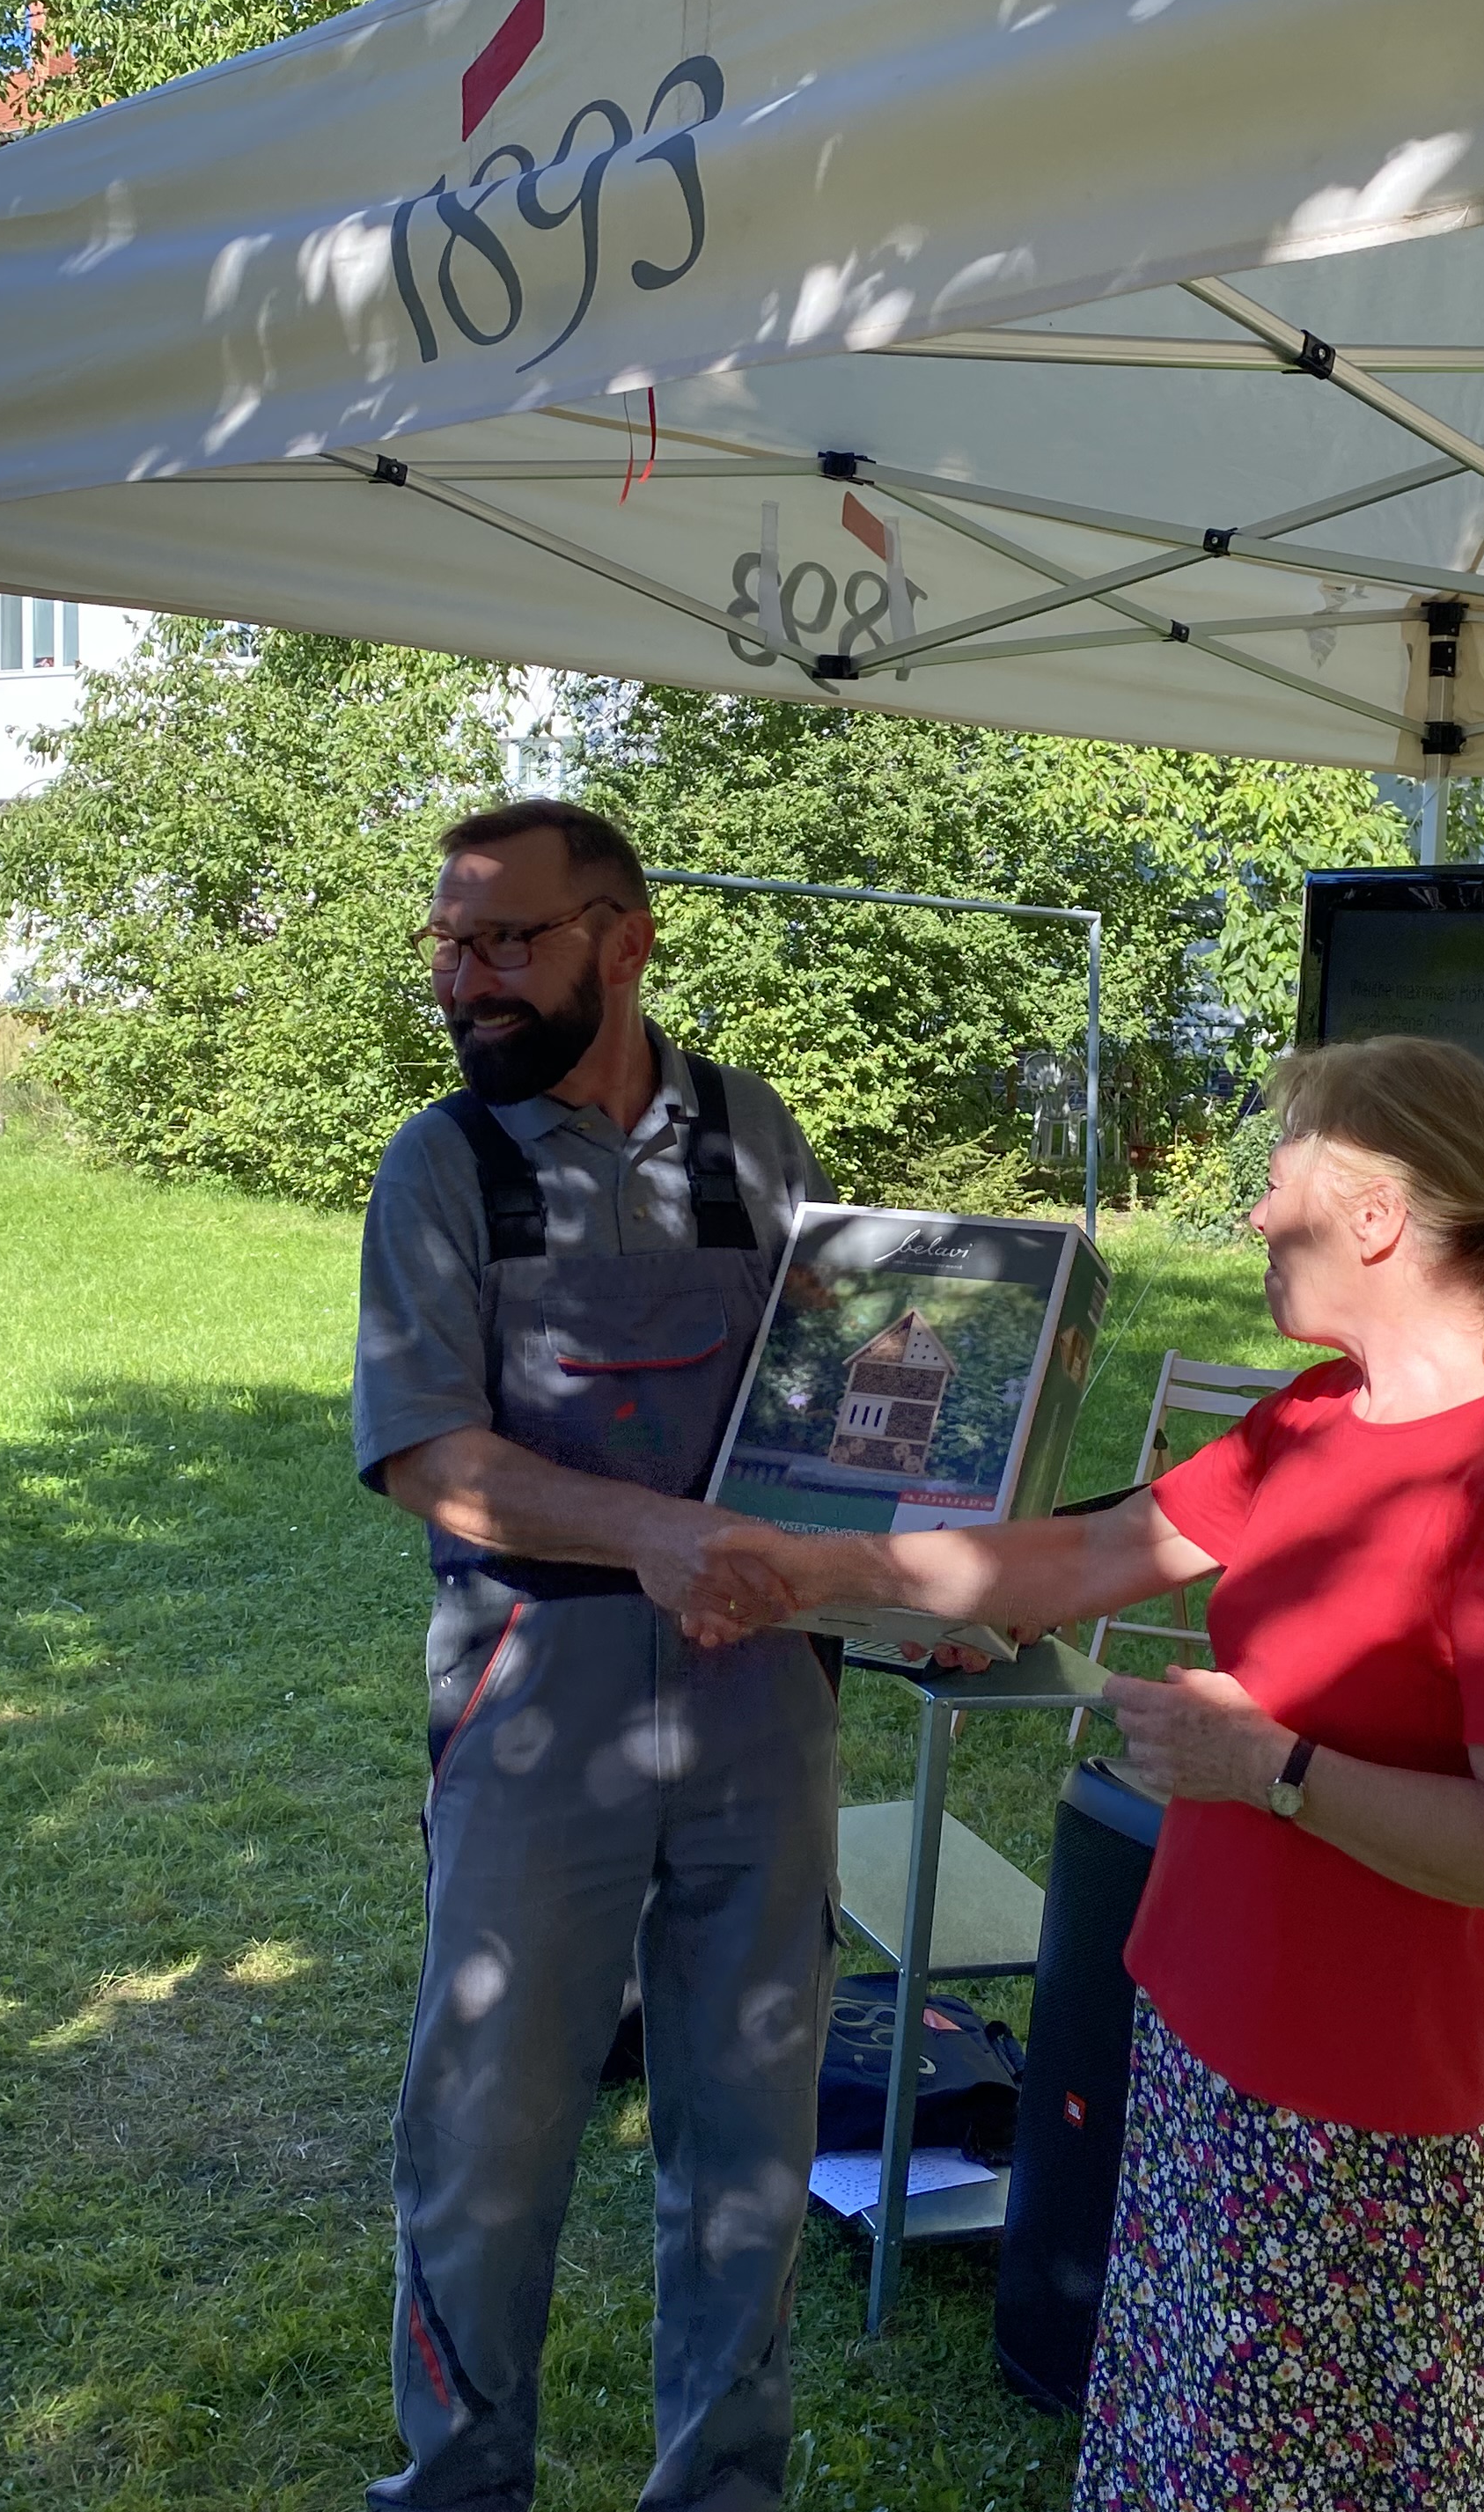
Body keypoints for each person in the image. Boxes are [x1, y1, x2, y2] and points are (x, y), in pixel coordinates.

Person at [690, 1033, 1484, 2509]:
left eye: (1275, 1181)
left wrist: (1270, 1766)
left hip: (1362, 2132)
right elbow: (1075, 1554)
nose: (1254, 1218)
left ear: (1374, 1216)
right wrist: (811, 1562)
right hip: (1205, 2050)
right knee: (1180, 2457)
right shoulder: (1316, 1419)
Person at [352, 799, 840, 2512]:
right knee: (485, 2139)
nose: (465, 980)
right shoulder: (444, 1167)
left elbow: (834, 1400)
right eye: (448, 946)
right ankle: (460, 2485)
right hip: (533, 1708)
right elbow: (426, 1456)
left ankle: (724, 2492)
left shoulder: (756, 1138)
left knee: (751, 2147)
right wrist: (650, 1534)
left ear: (624, 941)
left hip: (764, 1713)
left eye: (505, 942)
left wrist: (936, 1538)